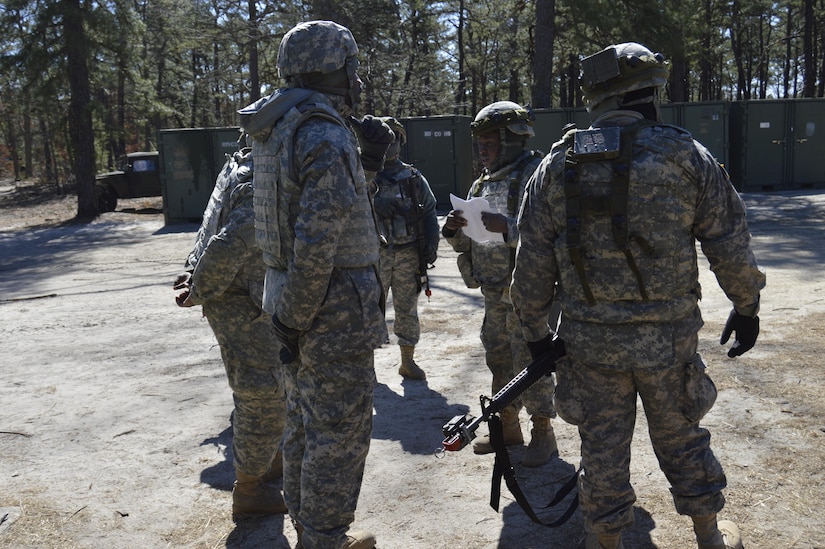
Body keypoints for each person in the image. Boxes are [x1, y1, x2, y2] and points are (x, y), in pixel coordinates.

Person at [510, 42, 765, 549]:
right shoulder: (685, 155)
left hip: (590, 346)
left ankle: (606, 542)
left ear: (595, 97)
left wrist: (536, 333)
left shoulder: (557, 165)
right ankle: (710, 536)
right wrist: (746, 305)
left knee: (602, 450)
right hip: (667, 343)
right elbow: (729, 242)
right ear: (652, 90)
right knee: (682, 438)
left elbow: (532, 263)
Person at [240, 20, 394, 549]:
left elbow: (328, 213)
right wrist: (297, 318)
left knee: (304, 424)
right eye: (351, 66)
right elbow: (317, 242)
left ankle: (312, 531)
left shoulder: (279, 126)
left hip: (290, 301)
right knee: (340, 433)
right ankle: (324, 540)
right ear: (334, 69)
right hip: (327, 311)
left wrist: (370, 162)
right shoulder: (323, 131)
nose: (357, 78)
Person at [173, 147, 287, 520]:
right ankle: (249, 491)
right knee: (261, 395)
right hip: (241, 304)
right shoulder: (261, 176)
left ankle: (268, 464)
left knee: (273, 388)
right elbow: (230, 241)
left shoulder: (241, 163)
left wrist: (193, 272)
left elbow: (208, 224)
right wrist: (199, 288)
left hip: (247, 301)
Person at [441, 101, 558, 467]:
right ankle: (507, 427)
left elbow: (550, 232)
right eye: (480, 143)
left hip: (526, 292)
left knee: (530, 361)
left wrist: (507, 226)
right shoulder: (482, 182)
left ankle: (544, 433)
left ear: (511, 140)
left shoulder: (533, 174)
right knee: (499, 358)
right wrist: (454, 231)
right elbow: (472, 240)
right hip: (494, 290)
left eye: (490, 142)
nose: (483, 149)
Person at [372, 116, 439, 381]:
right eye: (384, 140)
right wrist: (374, 203)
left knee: (407, 308)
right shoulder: (362, 177)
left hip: (407, 254)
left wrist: (431, 245)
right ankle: (368, 367)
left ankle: (407, 361)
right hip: (373, 256)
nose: (389, 145)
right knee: (369, 310)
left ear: (401, 141)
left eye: (394, 139)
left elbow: (430, 210)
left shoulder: (412, 177)